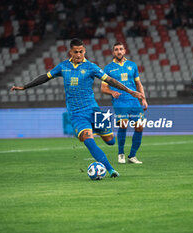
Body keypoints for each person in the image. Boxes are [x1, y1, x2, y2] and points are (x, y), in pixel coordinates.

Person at [11, 38, 144, 177]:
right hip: (76, 113)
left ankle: (95, 131)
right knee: (87, 138)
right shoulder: (63, 67)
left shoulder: (91, 67)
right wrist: (24, 87)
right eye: (76, 52)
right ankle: (111, 170)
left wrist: (129, 91)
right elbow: (45, 77)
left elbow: (110, 80)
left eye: (81, 51)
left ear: (84, 51)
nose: (79, 54)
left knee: (111, 141)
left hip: (94, 110)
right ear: (71, 52)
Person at [102, 42, 148, 164]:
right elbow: (103, 88)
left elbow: (138, 84)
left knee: (140, 126)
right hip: (120, 101)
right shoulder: (108, 68)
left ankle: (132, 156)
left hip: (134, 100)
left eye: (121, 49)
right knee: (123, 124)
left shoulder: (132, 66)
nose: (119, 51)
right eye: (116, 49)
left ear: (124, 51)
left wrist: (143, 98)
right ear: (113, 52)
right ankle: (121, 153)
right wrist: (111, 92)